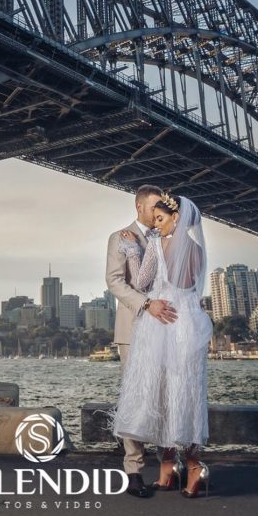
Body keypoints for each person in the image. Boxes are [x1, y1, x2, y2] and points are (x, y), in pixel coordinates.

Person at [111, 190, 213, 498]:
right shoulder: (194, 248)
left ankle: (183, 466)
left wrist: (137, 251)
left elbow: (146, 283)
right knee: (178, 396)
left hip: (166, 325)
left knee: (164, 394)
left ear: (175, 217)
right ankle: (178, 467)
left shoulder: (160, 244)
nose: (156, 224)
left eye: (160, 218)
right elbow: (186, 287)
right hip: (182, 324)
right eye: (153, 217)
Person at [105, 185, 179, 498]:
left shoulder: (168, 236)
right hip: (133, 328)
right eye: (153, 206)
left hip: (165, 327)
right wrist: (147, 304)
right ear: (139, 207)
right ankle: (133, 470)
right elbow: (114, 281)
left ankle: (168, 466)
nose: (158, 211)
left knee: (165, 394)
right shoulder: (119, 238)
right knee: (134, 397)